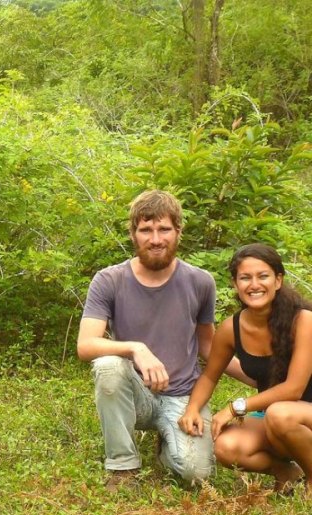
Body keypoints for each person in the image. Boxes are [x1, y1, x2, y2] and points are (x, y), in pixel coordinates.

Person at [77, 190, 248, 489]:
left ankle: (167, 447)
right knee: (108, 365)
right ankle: (122, 467)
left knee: (195, 475)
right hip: (135, 394)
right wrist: (135, 348)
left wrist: (260, 377)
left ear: (178, 232)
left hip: (182, 396)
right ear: (133, 234)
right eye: (146, 230)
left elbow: (208, 346)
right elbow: (86, 345)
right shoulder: (109, 280)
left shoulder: (200, 281)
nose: (156, 239)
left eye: (164, 229)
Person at [178, 243, 312, 493]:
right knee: (226, 447)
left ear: (278, 280)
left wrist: (235, 407)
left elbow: (294, 389)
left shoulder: (304, 320)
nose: (254, 285)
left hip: (296, 414)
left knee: (280, 414)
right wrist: (193, 409)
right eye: (245, 278)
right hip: (277, 419)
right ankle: (286, 470)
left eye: (263, 276)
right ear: (235, 284)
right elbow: (209, 376)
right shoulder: (231, 328)